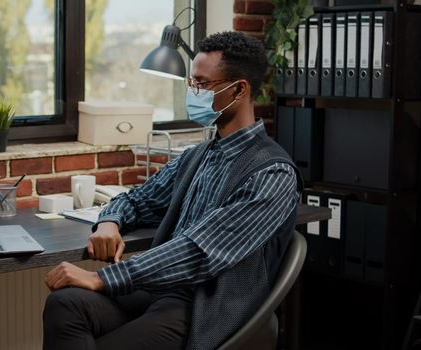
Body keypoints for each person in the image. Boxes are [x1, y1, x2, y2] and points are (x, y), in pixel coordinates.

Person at [43, 31, 303, 350]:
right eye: (191, 83)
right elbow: (138, 199)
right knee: (65, 306)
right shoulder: (199, 156)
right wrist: (110, 221)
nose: (193, 93)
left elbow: (200, 252)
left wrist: (101, 278)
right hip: (164, 288)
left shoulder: (271, 173)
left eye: (202, 84)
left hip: (206, 305)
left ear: (239, 89)